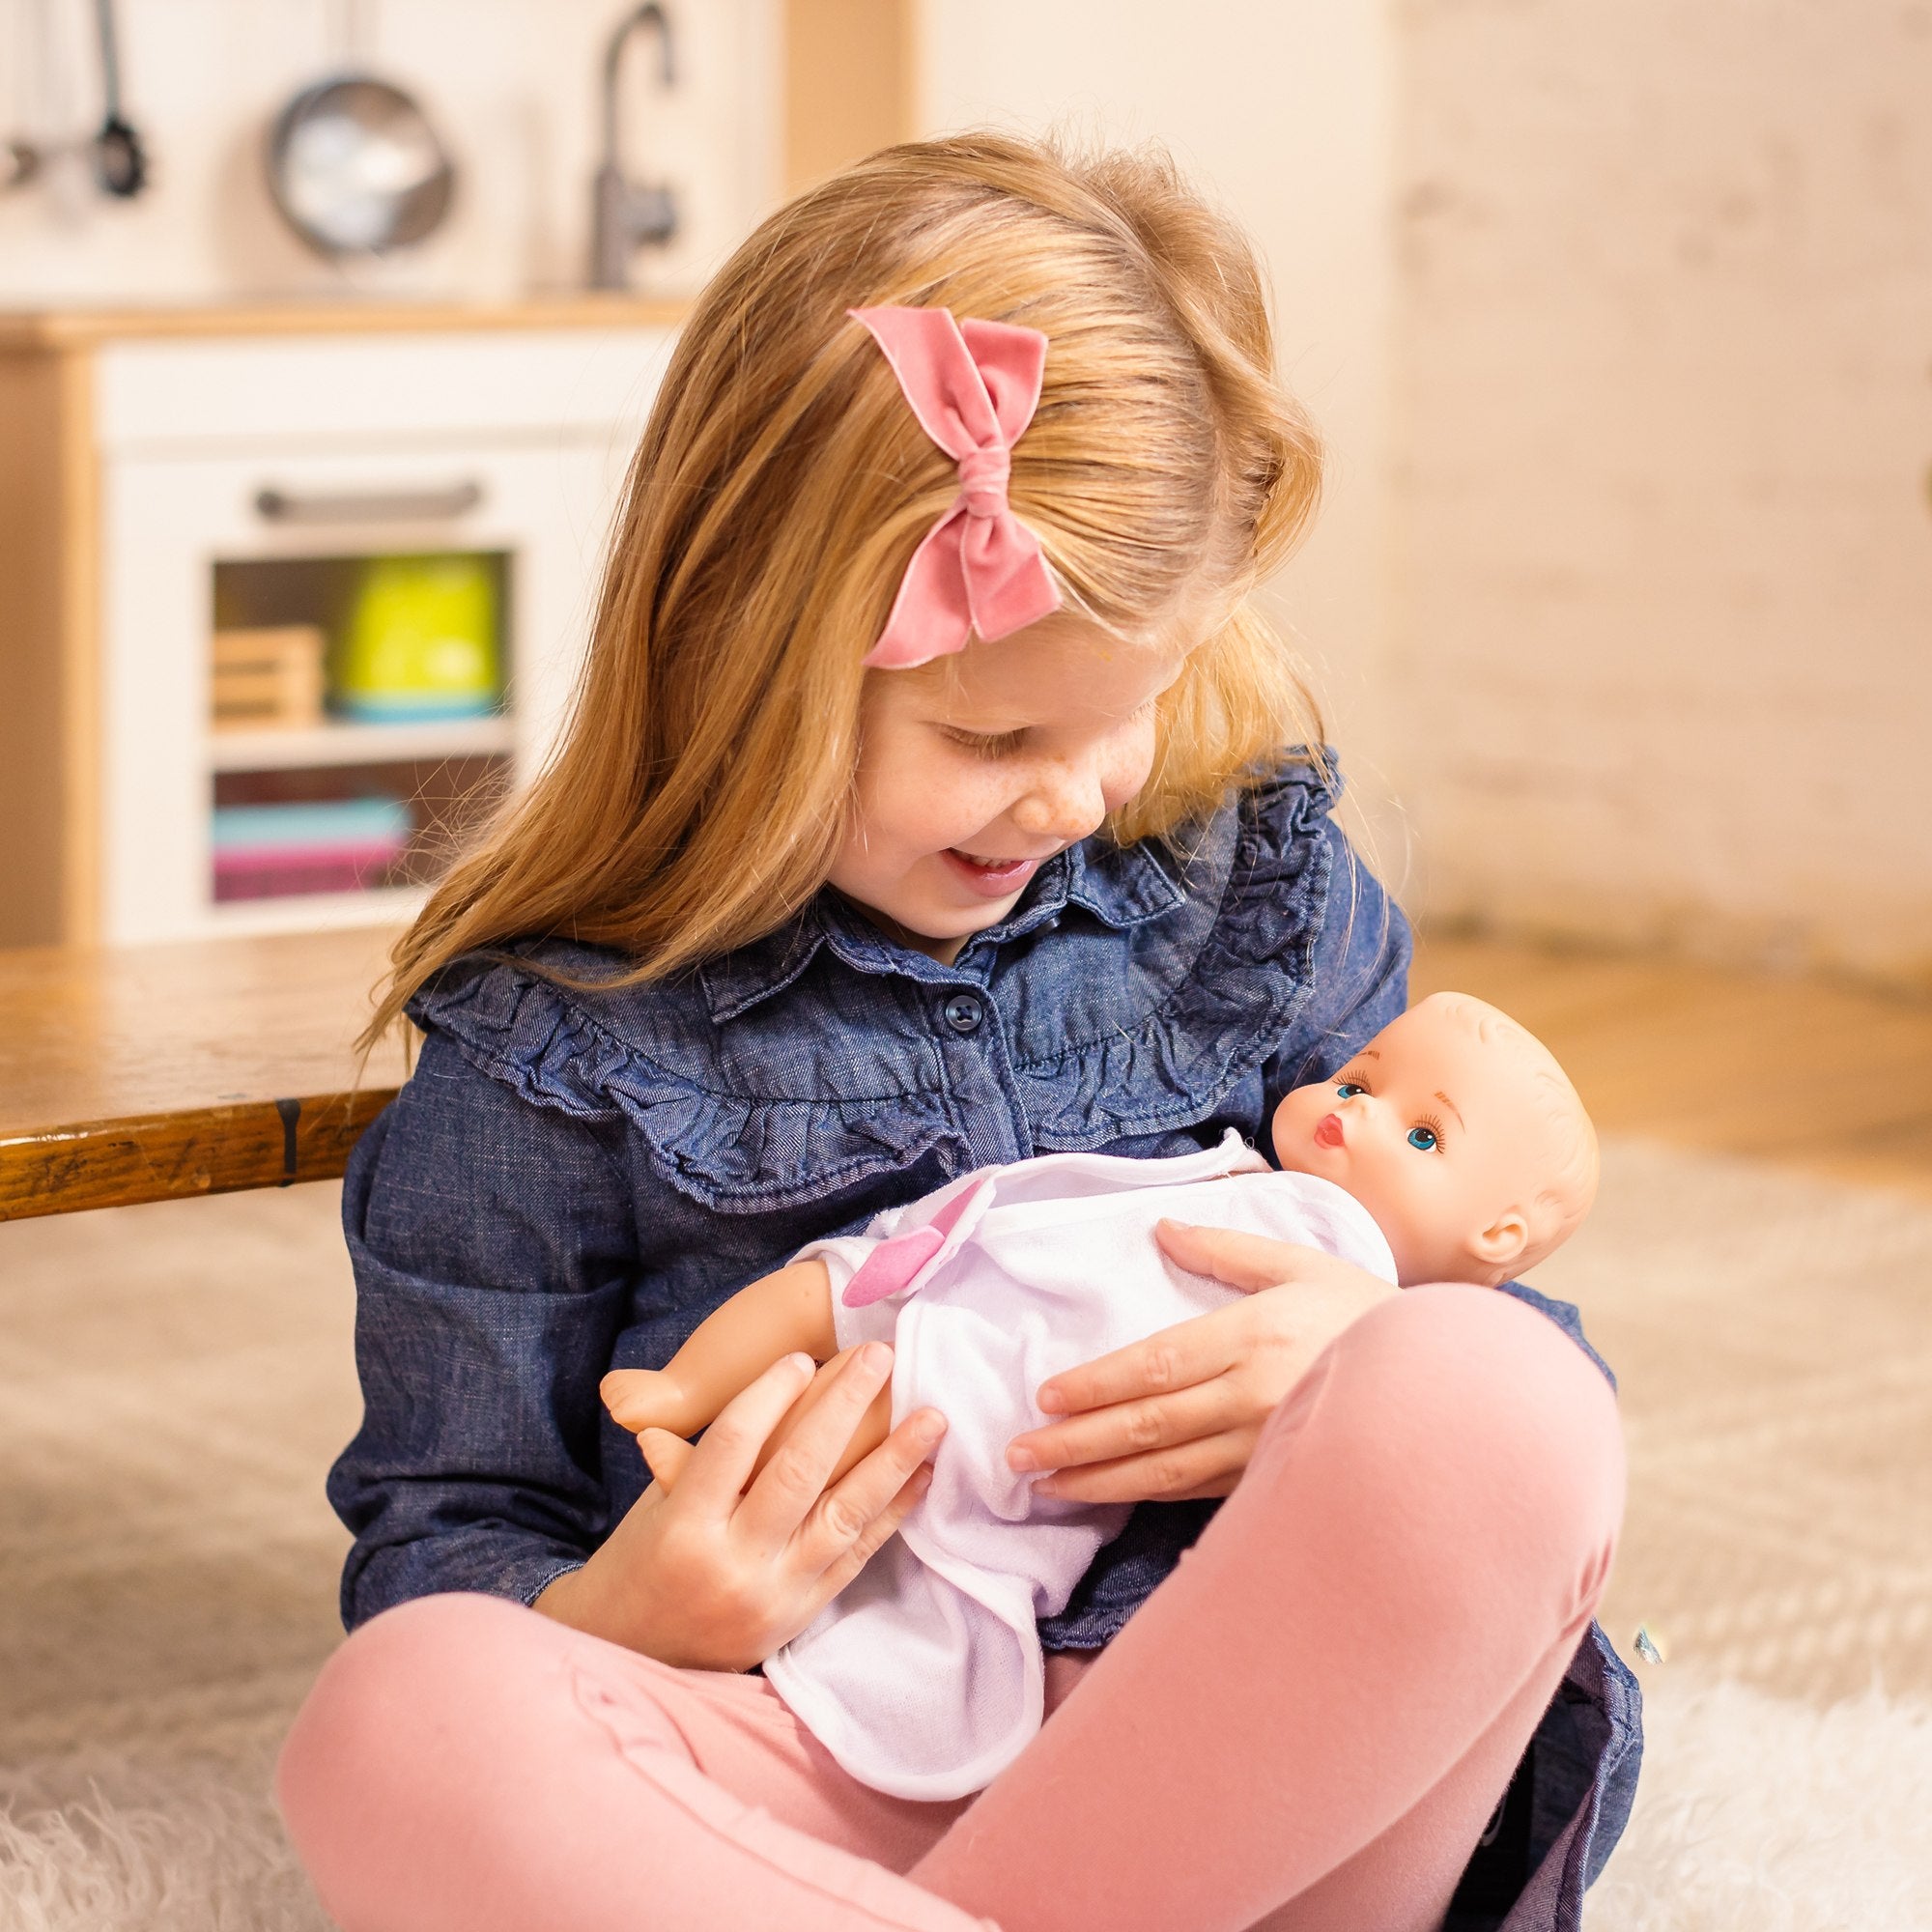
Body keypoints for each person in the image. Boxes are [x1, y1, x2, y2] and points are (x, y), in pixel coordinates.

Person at [275, 133, 1639, 1932]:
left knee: (1502, 1394)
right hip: (801, 1779)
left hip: (1251, 1743)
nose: (1074, 797)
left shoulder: (1250, 893)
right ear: (746, 657)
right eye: (995, 743)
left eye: (1133, 710)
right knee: (400, 1718)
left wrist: (1356, 1339)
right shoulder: (548, 1045)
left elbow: (1472, 1339)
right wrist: (625, 1615)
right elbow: (445, 1540)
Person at [604, 991, 1602, 1801]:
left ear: (1496, 1239)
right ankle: (682, 1387)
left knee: (856, 1416)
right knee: (808, 1295)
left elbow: (1532, 1425)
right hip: (964, 1286)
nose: (1357, 1109)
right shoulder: (1244, 1171)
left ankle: (716, 1486)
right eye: (1356, 1079)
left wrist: (1384, 1355)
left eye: (1422, 1136)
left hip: (1011, 1396)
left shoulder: (1358, 1280)